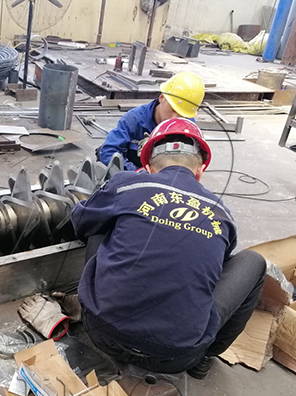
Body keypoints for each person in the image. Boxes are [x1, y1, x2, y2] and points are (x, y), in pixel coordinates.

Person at [72, 118, 266, 379]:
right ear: (200, 172)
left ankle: (100, 302)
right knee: (253, 261)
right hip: (177, 356)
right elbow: (220, 266)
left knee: (100, 219)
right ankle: (205, 357)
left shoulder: (128, 183)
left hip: (102, 333)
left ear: (149, 167)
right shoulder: (221, 214)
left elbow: (80, 220)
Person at [97, 71, 205, 172]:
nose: (174, 119)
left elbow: (196, 163)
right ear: (162, 98)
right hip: (135, 171)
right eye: (172, 109)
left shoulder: (188, 127)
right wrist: (137, 174)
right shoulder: (133, 120)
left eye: (182, 115)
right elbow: (108, 151)